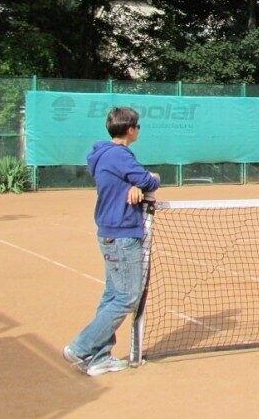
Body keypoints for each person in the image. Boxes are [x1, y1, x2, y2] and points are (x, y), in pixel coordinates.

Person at [63, 106, 161, 377]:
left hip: (110, 231)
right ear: (130, 130)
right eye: (137, 126)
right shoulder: (119, 155)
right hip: (122, 234)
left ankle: (99, 357)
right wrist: (144, 182)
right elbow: (149, 180)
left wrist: (137, 185)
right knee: (128, 297)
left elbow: (137, 182)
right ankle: (81, 347)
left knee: (112, 295)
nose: (139, 130)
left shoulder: (104, 154)